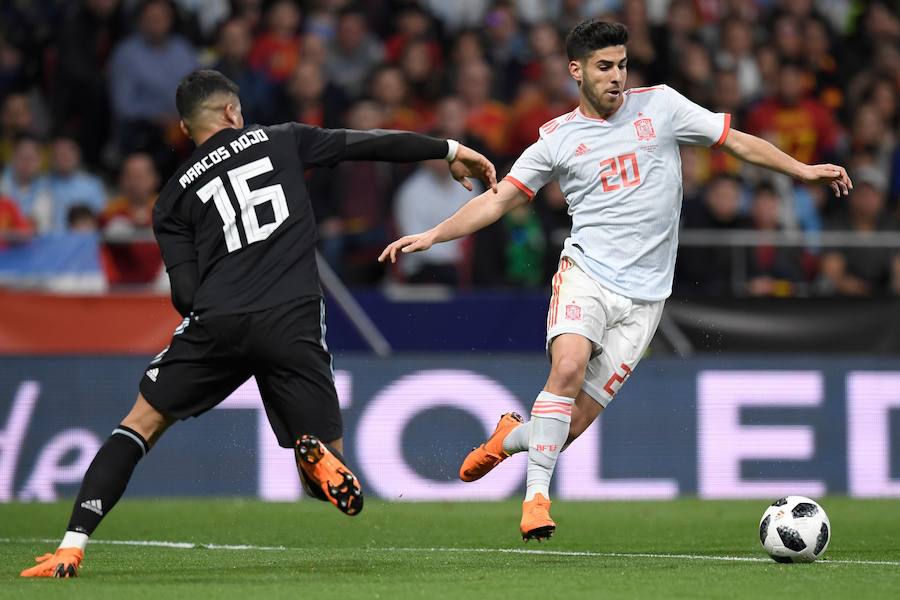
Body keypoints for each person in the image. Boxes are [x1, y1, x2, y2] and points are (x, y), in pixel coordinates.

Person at [380, 19, 851, 542]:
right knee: (568, 364)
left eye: (622, 65)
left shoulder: (663, 106)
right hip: (587, 275)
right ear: (576, 71)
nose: (617, 77)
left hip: (647, 298)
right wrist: (434, 235)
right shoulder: (557, 139)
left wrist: (803, 170)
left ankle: (512, 438)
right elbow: (499, 199)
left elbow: (734, 142)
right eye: (605, 67)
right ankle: (536, 500)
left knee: (571, 427)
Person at [21, 68, 496, 578]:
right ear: (231, 111)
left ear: (186, 129)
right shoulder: (281, 140)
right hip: (291, 315)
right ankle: (311, 451)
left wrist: (217, 322)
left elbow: (183, 294)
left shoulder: (172, 199)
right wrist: (447, 149)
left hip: (218, 320)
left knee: (137, 427)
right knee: (327, 478)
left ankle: (71, 546)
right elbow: (366, 144)